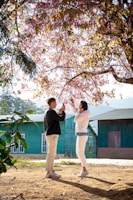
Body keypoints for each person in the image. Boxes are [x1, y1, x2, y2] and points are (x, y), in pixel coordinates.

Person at [44, 97, 66, 178]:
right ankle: (49, 171)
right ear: (52, 103)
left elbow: (57, 118)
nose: (56, 104)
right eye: (55, 102)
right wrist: (63, 112)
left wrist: (60, 112)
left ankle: (50, 170)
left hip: (49, 134)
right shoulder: (51, 112)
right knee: (51, 154)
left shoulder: (48, 112)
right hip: (52, 135)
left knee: (51, 153)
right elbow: (61, 118)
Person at [70, 98, 90, 177]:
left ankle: (85, 170)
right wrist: (72, 105)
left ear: (83, 107)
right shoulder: (82, 113)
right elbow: (75, 111)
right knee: (79, 153)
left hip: (82, 135)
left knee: (80, 153)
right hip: (80, 134)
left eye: (80, 105)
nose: (78, 107)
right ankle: (84, 169)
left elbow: (76, 119)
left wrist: (78, 112)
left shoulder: (85, 114)